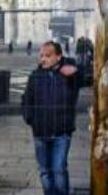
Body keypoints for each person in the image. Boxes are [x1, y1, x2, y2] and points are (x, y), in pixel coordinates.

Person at [22, 41, 81, 195]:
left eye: (48, 56)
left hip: (61, 132)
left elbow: (88, 75)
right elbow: (26, 99)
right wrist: (30, 119)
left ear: (58, 56)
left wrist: (72, 68)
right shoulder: (35, 76)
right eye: (41, 55)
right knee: (44, 171)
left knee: (59, 169)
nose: (43, 59)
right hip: (40, 132)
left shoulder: (69, 76)